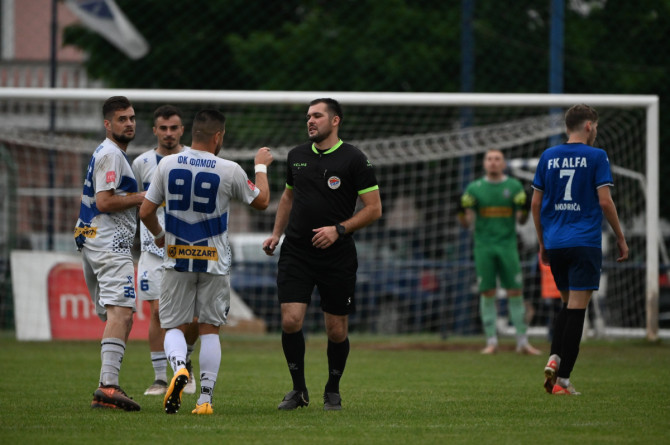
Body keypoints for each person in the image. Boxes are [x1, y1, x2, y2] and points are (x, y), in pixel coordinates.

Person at [140, 109, 273, 415]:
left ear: (192, 134)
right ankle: (204, 401)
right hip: (214, 260)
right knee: (210, 329)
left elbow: (145, 211)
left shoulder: (167, 164)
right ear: (218, 136)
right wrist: (260, 167)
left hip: (177, 258)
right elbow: (263, 201)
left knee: (172, 326)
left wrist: (160, 236)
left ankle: (179, 368)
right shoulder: (229, 169)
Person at [262, 98, 382, 411]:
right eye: (308, 116)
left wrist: (338, 230)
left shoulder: (355, 159)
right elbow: (288, 198)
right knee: (290, 321)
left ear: (335, 120)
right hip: (297, 251)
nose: (310, 121)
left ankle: (332, 389)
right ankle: (298, 390)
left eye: (317, 115)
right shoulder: (296, 156)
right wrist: (276, 234)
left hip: (337, 255)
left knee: (336, 329)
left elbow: (374, 209)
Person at [531, 104, 629, 395]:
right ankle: (563, 380)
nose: (595, 131)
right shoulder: (597, 156)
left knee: (566, 306)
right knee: (577, 310)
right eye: (595, 126)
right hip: (584, 242)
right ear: (588, 126)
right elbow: (605, 201)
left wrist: (542, 242)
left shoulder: (548, 156)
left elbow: (535, 203)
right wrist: (620, 237)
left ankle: (554, 356)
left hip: (556, 243)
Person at [74, 96, 145, 411]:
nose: (128, 123)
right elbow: (104, 201)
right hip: (108, 241)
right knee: (122, 312)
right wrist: (142, 197)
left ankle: (108, 385)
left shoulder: (108, 152)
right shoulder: (111, 154)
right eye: (121, 119)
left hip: (92, 237)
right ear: (107, 124)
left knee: (118, 314)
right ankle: (107, 387)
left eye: (131, 118)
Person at [132, 105, 199, 397]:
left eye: (174, 128)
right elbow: (133, 202)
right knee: (159, 312)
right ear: (155, 130)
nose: (169, 133)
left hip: (189, 249)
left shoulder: (195, 159)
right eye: (163, 128)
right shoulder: (141, 163)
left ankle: (186, 362)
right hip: (153, 249)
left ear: (182, 130)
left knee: (193, 318)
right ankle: (161, 378)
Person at [459, 149, 541, 355]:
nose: (493, 162)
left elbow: (521, 220)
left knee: (515, 291)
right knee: (487, 292)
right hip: (483, 246)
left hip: (507, 245)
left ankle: (522, 342)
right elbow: (467, 223)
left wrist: (524, 207)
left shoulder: (513, 186)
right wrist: (460, 211)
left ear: (503, 164)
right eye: (489, 159)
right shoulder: (474, 188)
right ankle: (491, 342)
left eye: (497, 159)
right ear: (484, 163)